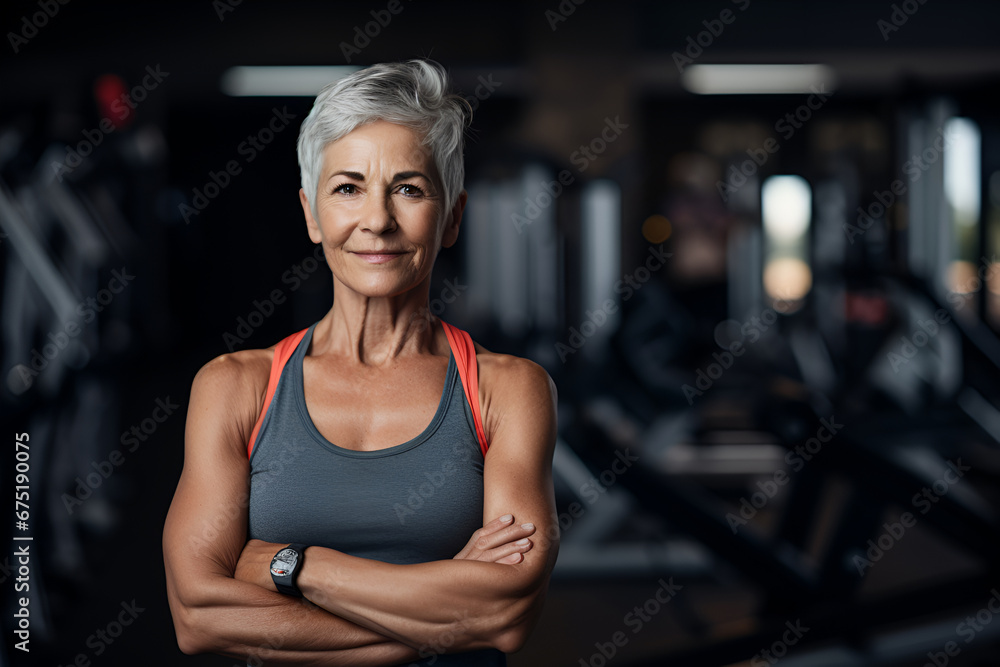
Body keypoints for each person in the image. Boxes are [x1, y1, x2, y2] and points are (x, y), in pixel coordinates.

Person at [162, 60, 559, 666]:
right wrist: (447, 610)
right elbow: (198, 617)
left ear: (451, 216)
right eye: (348, 188)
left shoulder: (507, 390)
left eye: (409, 188)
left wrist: (291, 564)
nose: (377, 220)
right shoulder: (235, 387)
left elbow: (504, 618)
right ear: (311, 215)